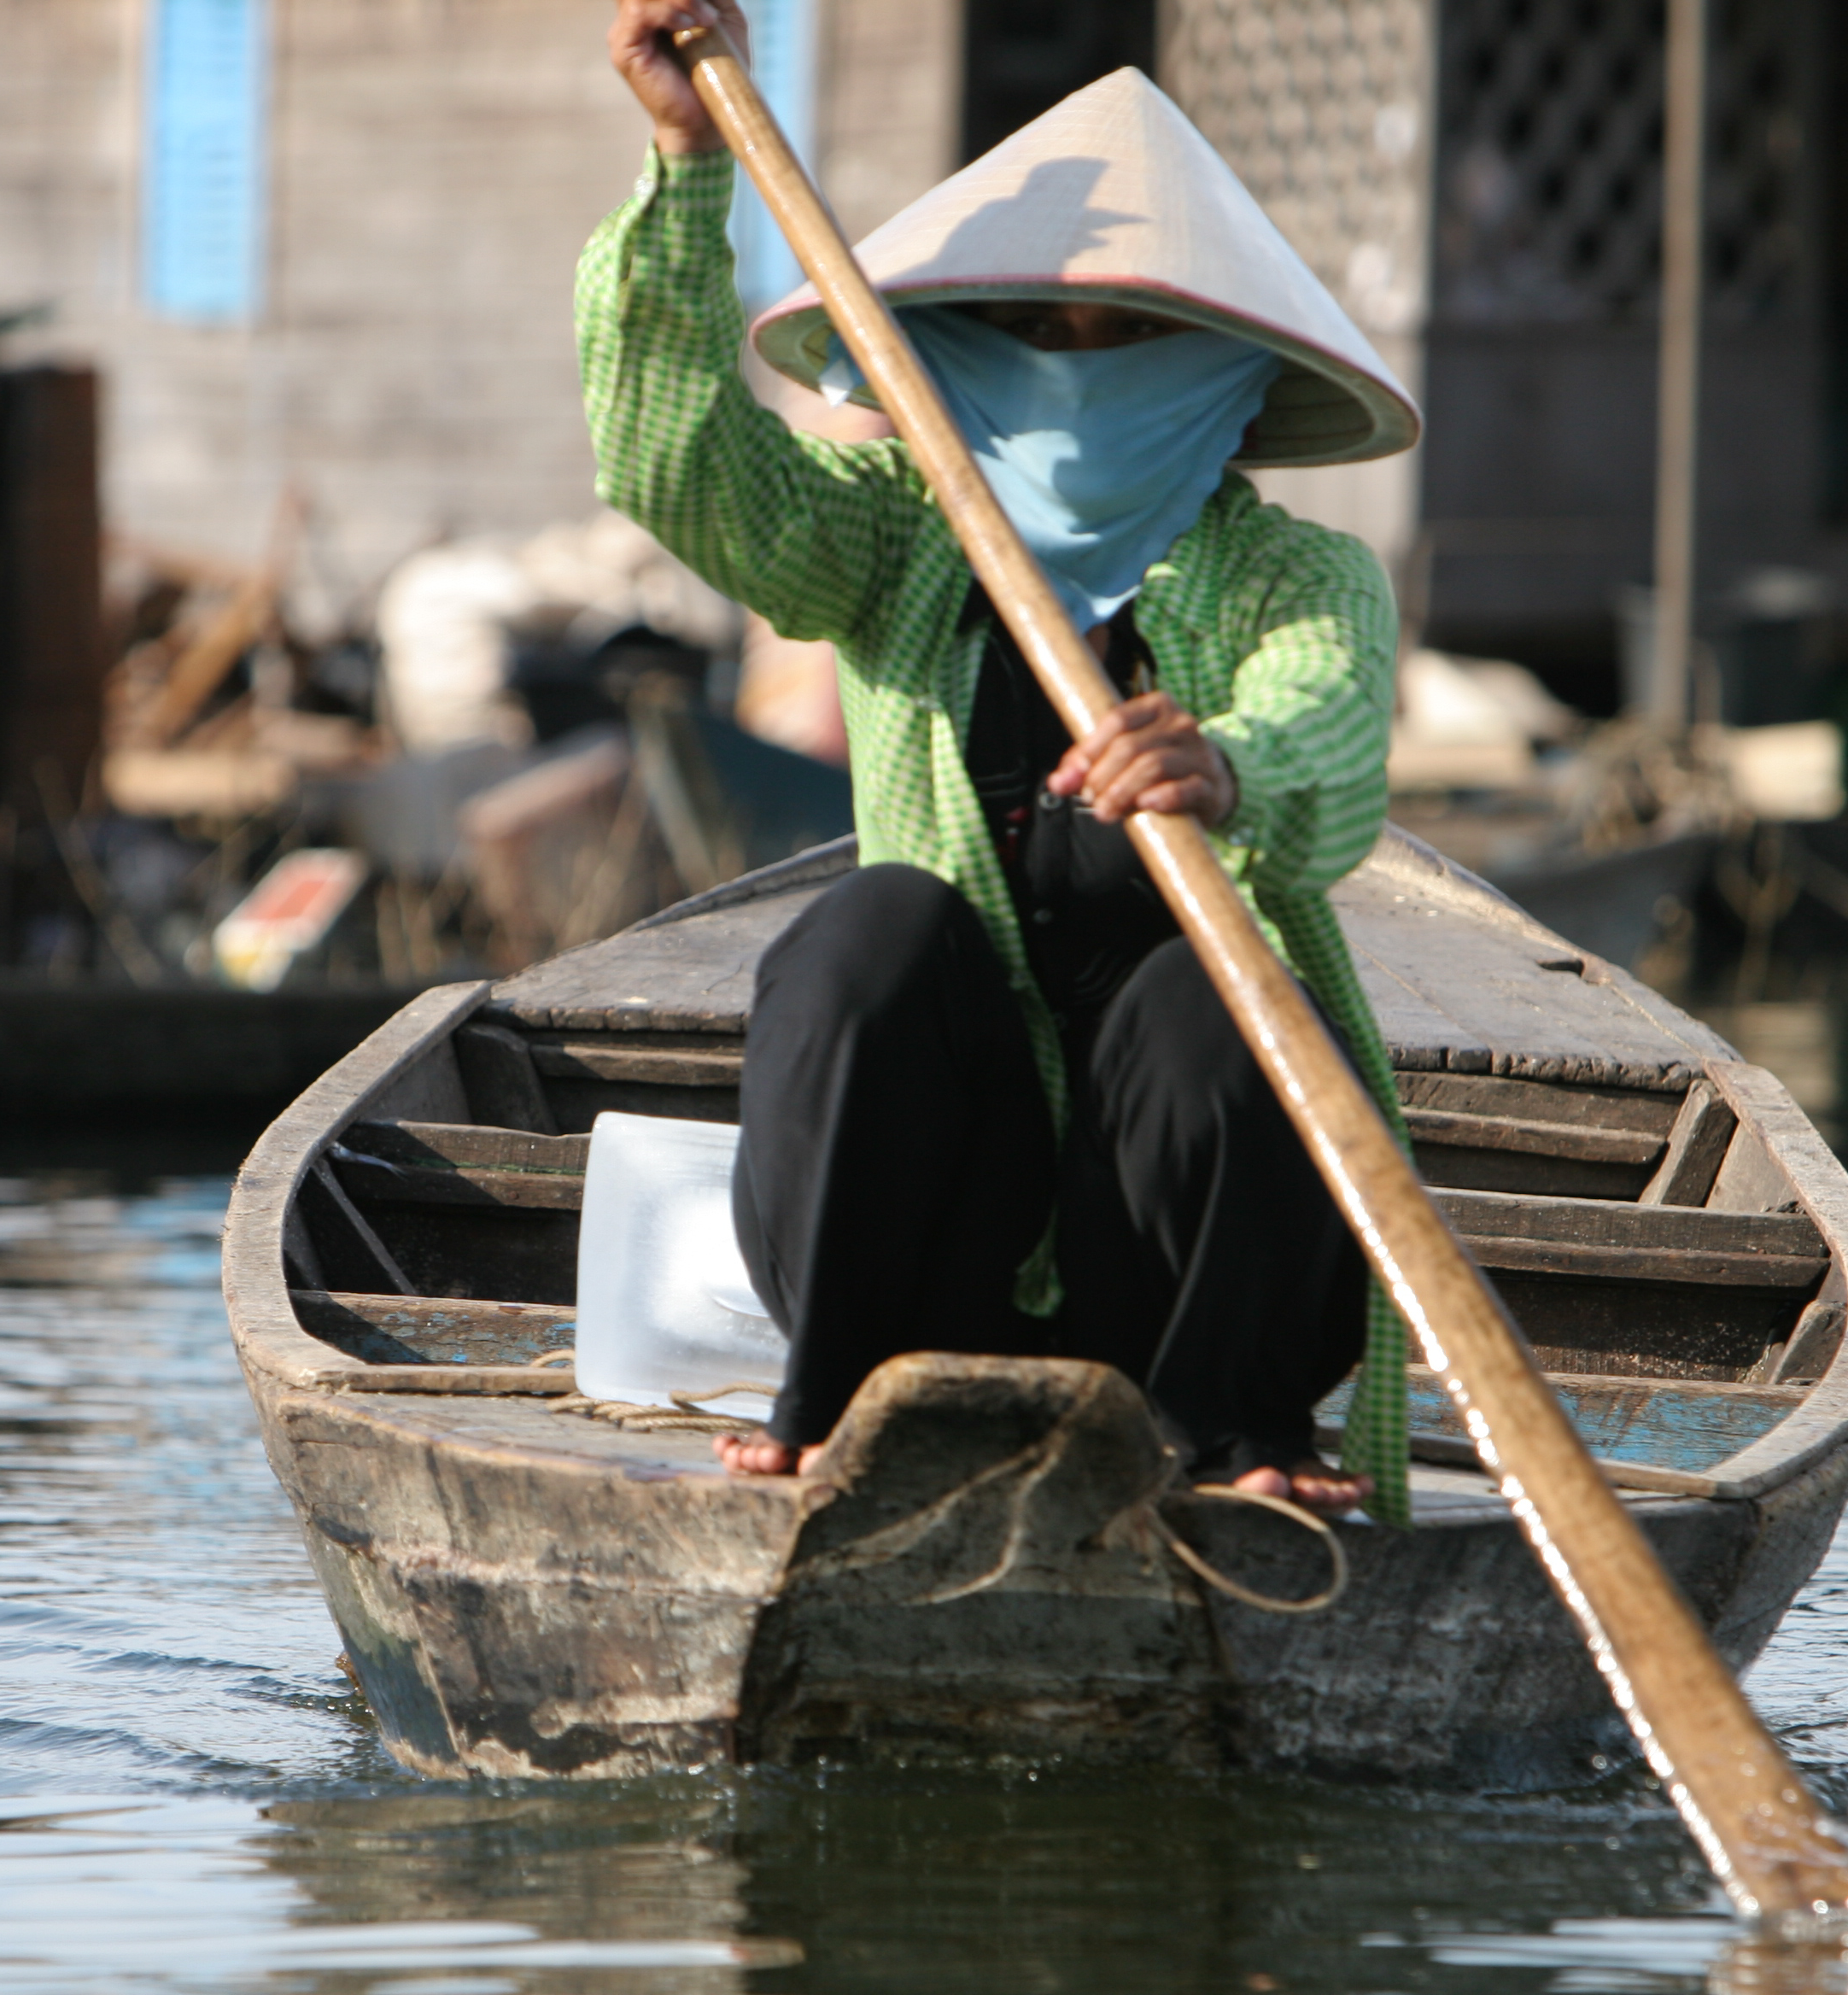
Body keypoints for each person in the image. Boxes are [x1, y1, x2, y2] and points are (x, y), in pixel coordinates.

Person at [586, 0, 1420, 1520]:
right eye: (1036, 336)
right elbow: (679, 464)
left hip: (1187, 1272)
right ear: (959, 355)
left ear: (1229, 378)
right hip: (925, 1259)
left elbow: (1331, 734)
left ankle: (1232, 1430)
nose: (1077, 376)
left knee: (1218, 984)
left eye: (1130, 338)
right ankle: (833, 1398)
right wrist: (688, 164)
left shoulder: (1293, 581)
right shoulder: (893, 536)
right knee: (873, 930)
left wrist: (1227, 769)